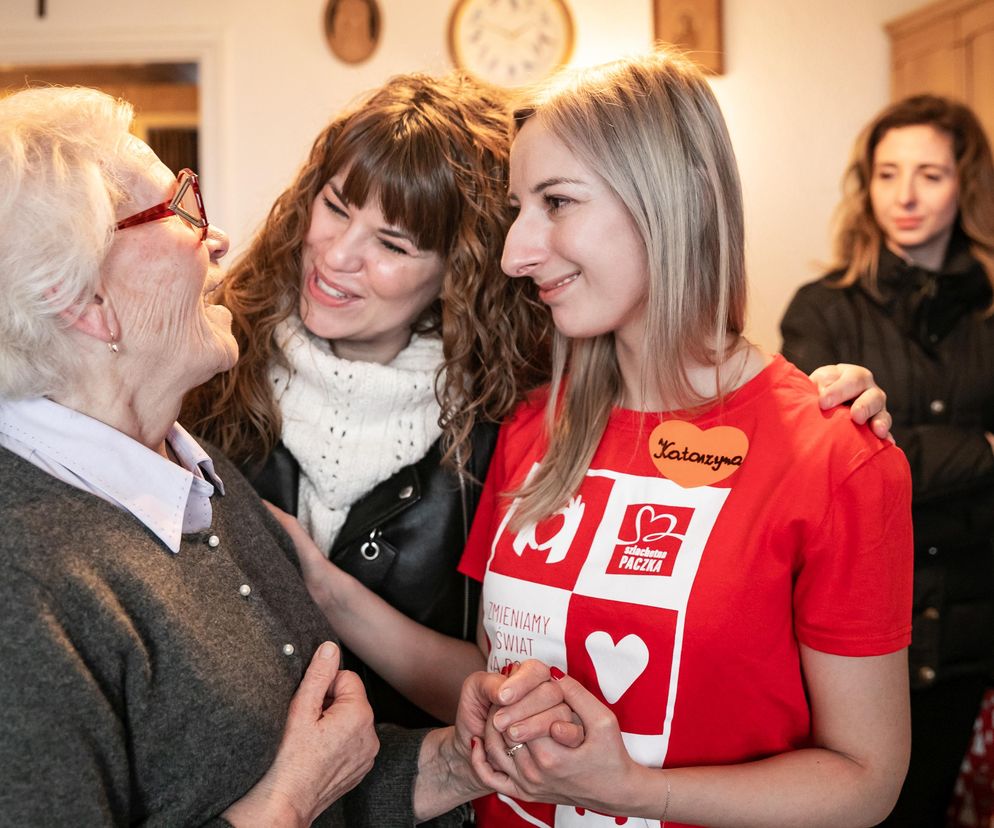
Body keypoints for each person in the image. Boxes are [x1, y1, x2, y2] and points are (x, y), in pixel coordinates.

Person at [186, 71, 895, 735]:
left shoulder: (509, 403)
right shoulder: (202, 360)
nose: (337, 256)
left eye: (393, 244)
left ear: (456, 268)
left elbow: (696, 397)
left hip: (425, 784)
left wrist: (804, 412)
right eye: (334, 208)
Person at [0, 84, 575, 827]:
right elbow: (296, 778)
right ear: (87, 305)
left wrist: (456, 760)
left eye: (393, 244)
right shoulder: (30, 568)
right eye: (178, 211)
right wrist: (291, 799)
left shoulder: (198, 471)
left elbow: (319, 752)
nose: (218, 239)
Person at [448, 49, 914, 827]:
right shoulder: (534, 426)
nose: (515, 253)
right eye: (518, 208)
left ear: (678, 195)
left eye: (558, 201)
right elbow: (497, 666)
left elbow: (865, 779)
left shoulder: (838, 457)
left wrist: (633, 789)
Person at [781, 94, 994, 827]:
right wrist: (985, 453)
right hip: (859, 632)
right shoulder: (822, 309)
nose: (904, 195)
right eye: (887, 174)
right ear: (865, 186)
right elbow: (825, 470)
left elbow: (879, 462)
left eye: (930, 175)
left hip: (972, 629)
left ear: (967, 183)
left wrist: (895, 458)